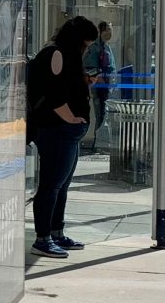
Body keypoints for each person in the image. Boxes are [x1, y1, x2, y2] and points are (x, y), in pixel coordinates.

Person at [27, 15, 96, 259]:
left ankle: (56, 232)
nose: (86, 49)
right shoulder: (56, 54)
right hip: (57, 129)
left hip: (66, 131)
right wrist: (71, 118)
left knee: (61, 186)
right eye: (86, 44)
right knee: (51, 186)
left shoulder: (63, 55)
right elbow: (54, 94)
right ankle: (43, 238)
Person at [83, 20, 117, 152]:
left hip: (108, 86)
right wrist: (99, 77)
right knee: (101, 114)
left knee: (104, 114)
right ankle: (98, 144)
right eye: (107, 29)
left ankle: (101, 143)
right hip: (100, 87)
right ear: (101, 31)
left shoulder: (107, 47)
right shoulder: (95, 47)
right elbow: (89, 66)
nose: (109, 33)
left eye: (110, 30)